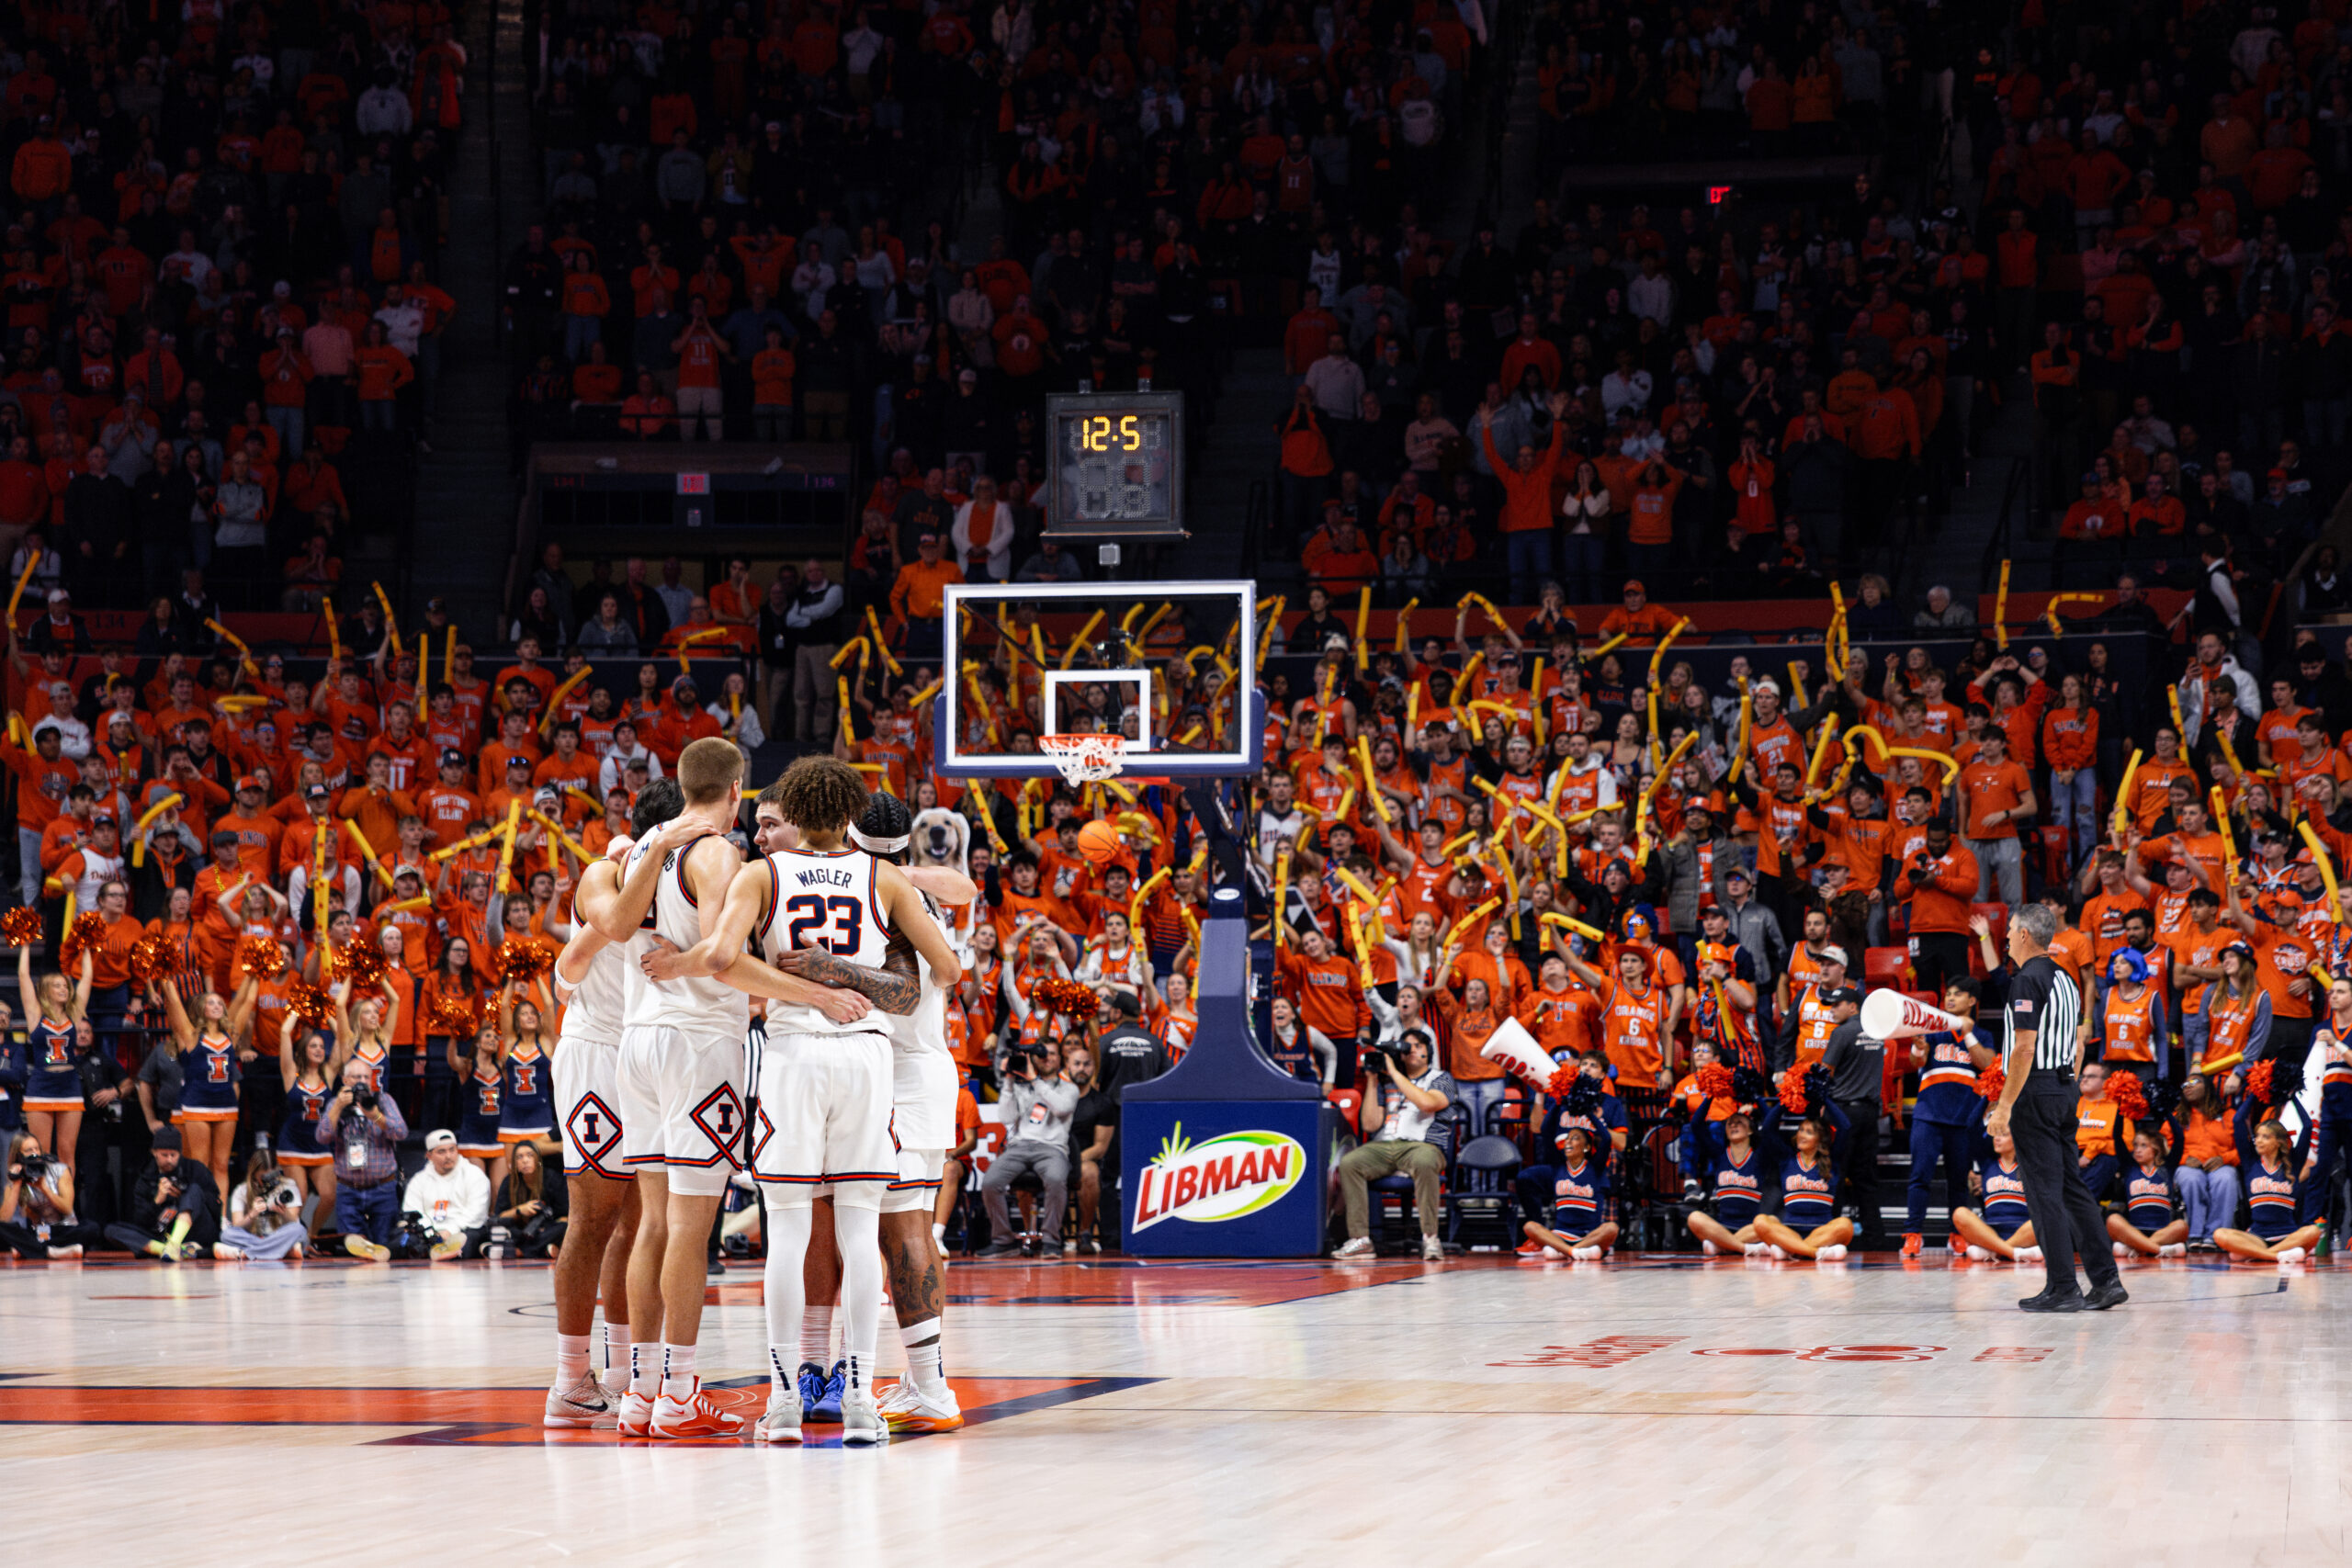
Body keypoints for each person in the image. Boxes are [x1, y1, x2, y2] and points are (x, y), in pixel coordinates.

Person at [644, 755, 957, 1447]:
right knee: (858, 1228)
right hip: (867, 1054)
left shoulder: (761, 872)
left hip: (790, 1053)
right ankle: (861, 1403)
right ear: (848, 814)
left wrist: (806, 983)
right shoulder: (883, 875)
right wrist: (858, 972)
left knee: (786, 1229)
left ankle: (784, 1403)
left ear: (794, 814)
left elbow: (723, 956)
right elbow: (947, 967)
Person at [586, 739, 757, 1440]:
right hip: (698, 1044)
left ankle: (639, 1392)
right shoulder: (717, 853)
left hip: (639, 1042)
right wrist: (687, 961)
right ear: (736, 790)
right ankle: (682, 1393)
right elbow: (723, 954)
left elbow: (618, 926)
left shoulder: (636, 851)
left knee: (652, 1223)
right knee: (692, 1226)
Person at [1985, 901, 2123, 1312]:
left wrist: (2005, 1106)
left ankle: (2063, 1287)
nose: (2006, 936)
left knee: (2044, 1193)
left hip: (2036, 1090)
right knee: (2072, 1189)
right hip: (2065, 1087)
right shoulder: (2066, 978)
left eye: (2010, 930)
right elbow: (2080, 1041)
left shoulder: (2028, 979)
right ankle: (2106, 1280)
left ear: (2025, 934)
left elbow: (2024, 1047)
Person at [1330, 1029, 1454, 1261]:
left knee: (1425, 1162)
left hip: (1423, 1146)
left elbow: (1427, 1103)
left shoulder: (1441, 1078)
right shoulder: (1387, 1082)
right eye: (1408, 1047)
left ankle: (1430, 1237)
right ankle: (1360, 1240)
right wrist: (1372, 1081)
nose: (1413, 1050)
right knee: (1350, 1162)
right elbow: (1369, 1124)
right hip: (1385, 1146)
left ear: (1429, 1051)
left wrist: (1395, 1073)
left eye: (1418, 1046)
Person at [1902, 976, 1993, 1257]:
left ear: (1972, 1001)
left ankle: (1958, 1234)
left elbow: (1987, 1064)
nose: (1950, 998)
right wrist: (1919, 1047)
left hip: (1964, 1119)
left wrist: (1967, 1033)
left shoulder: (1984, 1035)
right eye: (1948, 994)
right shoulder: (1932, 1029)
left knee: (1958, 1181)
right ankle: (1913, 1234)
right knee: (1920, 1176)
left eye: (1958, 994)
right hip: (1928, 1116)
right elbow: (1917, 1061)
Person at [159, 971, 258, 1197]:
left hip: (226, 1105)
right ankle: (199, 1214)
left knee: (222, 1165)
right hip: (198, 1105)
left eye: (220, 1003)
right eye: (211, 1002)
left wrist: (257, 973)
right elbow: (174, 1004)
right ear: (201, 1009)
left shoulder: (230, 1035)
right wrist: (164, 975)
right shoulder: (192, 1037)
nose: (216, 1006)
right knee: (200, 1165)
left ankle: (220, 1218)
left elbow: (248, 1002)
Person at [318, 1054, 411, 1258]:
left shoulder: (383, 1100)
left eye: (366, 1078)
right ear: (345, 1080)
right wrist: (338, 1108)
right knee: (354, 1251)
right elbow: (322, 1136)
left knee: (385, 1249)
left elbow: (401, 1132)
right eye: (356, 1077)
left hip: (383, 1188)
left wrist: (375, 1116)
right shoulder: (336, 1103)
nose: (361, 1082)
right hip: (349, 1190)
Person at [1815, 984, 1886, 1248]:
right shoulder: (1877, 1032)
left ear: (1853, 1006)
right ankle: (1875, 1238)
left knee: (1835, 1174)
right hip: (1869, 1112)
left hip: (1843, 1114)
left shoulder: (1842, 1033)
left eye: (1836, 1005)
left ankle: (1830, 1237)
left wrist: (1820, 1105)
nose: (1832, 1011)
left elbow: (1824, 1072)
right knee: (1866, 1179)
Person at [16, 940, 92, 1186]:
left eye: (65, 985)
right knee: (39, 1152)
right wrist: (25, 944)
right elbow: (23, 975)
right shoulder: (35, 1014)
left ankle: (66, 1208)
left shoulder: (74, 1014)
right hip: (40, 1088)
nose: (63, 988)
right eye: (57, 985)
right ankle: (42, 1209)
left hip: (69, 1088)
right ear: (46, 990)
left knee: (67, 1151)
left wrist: (88, 946)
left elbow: (88, 978)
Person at [104, 1124, 221, 1259]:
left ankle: (173, 1246)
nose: (170, 1160)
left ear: (180, 1153)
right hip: (162, 1233)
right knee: (111, 1230)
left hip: (196, 1230)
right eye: (164, 1155)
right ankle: (169, 1250)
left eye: (173, 1155)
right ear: (154, 1152)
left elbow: (215, 1206)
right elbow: (140, 1221)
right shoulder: (145, 1178)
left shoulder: (195, 1169)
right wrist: (157, 1201)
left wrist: (185, 1197)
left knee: (194, 1189)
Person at [2212, 1115, 2319, 1263]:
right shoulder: (2251, 1164)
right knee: (2219, 1234)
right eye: (2257, 1136)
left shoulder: (2293, 1164)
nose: (2259, 1140)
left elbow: (2307, 1126)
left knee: (2313, 1231)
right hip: (2257, 1236)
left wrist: (2293, 1095)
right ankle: (2278, 1256)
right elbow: (2238, 1120)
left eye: (2265, 1137)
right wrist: (2254, 1093)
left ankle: (2256, 1254)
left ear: (2278, 1142)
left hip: (2288, 1235)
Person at [0, 1127, 105, 1258]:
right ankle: (52, 1252)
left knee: (92, 1228)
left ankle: (31, 1249)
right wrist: (16, 1184)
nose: (35, 1154)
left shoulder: (59, 1170)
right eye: (29, 1151)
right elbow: (4, 1219)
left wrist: (44, 1188)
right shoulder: (17, 1177)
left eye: (37, 1149)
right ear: (19, 1156)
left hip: (64, 1229)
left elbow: (67, 1209)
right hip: (39, 1231)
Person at [276, 1028, 339, 1242]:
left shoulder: (328, 1074)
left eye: (322, 1046)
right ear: (303, 1050)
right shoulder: (291, 1073)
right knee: (299, 1197)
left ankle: (311, 1235)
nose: (319, 1050)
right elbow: (285, 1032)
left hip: (319, 1144)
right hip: (292, 1143)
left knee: (330, 1196)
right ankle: (289, 1238)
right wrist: (295, 1009)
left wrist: (330, 1012)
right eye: (313, 1046)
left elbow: (342, 1039)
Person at [1521, 1124, 1617, 1258]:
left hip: (1588, 1235)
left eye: (1575, 1138)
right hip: (1561, 1235)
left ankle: (1566, 1251)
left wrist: (1589, 1114)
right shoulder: (1558, 1167)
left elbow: (1606, 1138)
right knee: (1529, 1226)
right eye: (1567, 1138)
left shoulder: (1595, 1168)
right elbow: (1546, 1131)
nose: (1568, 1141)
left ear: (1586, 1147)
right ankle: (1576, 1252)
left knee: (1612, 1228)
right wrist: (1558, 1104)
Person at [1949, 1128, 2041, 1261]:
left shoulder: (2030, 1166)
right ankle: (2014, 1252)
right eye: (1995, 1135)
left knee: (2045, 1219)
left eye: (2003, 1135)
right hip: (1990, 1231)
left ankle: (1992, 1251)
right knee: (1960, 1213)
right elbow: (1971, 1127)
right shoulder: (1987, 1164)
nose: (1997, 1138)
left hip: (2023, 1230)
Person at [402, 1128, 491, 1259]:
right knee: (404, 1239)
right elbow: (412, 1211)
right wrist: (432, 1233)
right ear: (429, 1156)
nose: (448, 1156)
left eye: (452, 1150)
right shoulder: (419, 1180)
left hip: (462, 1229)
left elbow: (476, 1214)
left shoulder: (474, 1174)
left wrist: (450, 1230)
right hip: (429, 1232)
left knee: (469, 1239)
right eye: (441, 1152)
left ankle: (445, 1252)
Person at [213, 1147, 310, 1260]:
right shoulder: (242, 1190)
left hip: (280, 1235)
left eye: (272, 1176)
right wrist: (252, 1214)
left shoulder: (289, 1186)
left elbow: (293, 1221)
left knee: (298, 1230)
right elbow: (237, 1225)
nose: (268, 1181)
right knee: (227, 1234)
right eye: (263, 1178)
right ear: (253, 1174)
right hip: (255, 1237)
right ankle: (283, 1251)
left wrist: (283, 1212)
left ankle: (245, 1253)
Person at [2105, 1129, 2188, 1258]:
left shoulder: (2167, 1168)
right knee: (2112, 1220)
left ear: (2156, 1148)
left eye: (2143, 1145)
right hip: (2134, 1231)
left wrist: (2166, 1112)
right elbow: (2117, 1135)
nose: (2137, 1150)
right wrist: (2122, 1111)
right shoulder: (2130, 1168)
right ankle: (2160, 1250)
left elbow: (2179, 1137)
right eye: (2135, 1145)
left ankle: (2135, 1249)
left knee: (2181, 1226)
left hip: (2163, 1232)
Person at [492, 1141, 568, 1258]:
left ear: (538, 1159)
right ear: (515, 1163)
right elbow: (499, 1217)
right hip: (521, 1231)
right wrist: (519, 1210)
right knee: (499, 1228)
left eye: (530, 1155)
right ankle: (543, 1250)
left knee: (563, 1226)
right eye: (519, 1157)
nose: (525, 1160)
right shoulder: (509, 1182)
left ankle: (522, 1251)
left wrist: (547, 1227)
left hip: (547, 1229)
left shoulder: (552, 1178)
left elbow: (565, 1216)